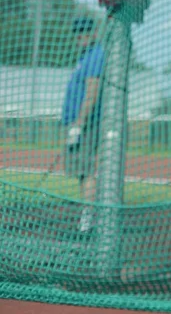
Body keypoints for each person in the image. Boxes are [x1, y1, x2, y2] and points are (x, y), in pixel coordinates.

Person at [61, 16, 105, 232]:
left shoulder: (96, 55)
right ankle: (86, 218)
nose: (81, 36)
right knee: (80, 171)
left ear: (93, 33)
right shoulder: (84, 56)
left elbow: (92, 91)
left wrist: (79, 123)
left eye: (85, 32)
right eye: (78, 32)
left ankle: (88, 220)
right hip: (76, 123)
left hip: (86, 124)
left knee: (86, 170)